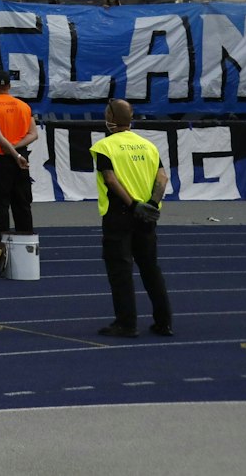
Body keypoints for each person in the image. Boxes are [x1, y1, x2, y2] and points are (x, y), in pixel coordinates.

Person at [91, 98, 173, 338]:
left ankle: (126, 323)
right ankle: (164, 321)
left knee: (120, 270)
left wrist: (133, 204)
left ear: (112, 119)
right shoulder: (148, 146)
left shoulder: (105, 147)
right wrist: (152, 205)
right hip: (147, 215)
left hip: (120, 213)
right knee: (150, 268)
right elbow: (162, 178)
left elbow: (110, 179)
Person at [0, 69, 37, 273]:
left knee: (1, 206)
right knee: (22, 204)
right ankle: (27, 247)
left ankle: (0, 250)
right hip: (21, 159)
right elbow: (34, 134)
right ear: (9, 86)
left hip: (2, 160)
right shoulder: (23, 106)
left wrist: (12, 152)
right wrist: (19, 150)